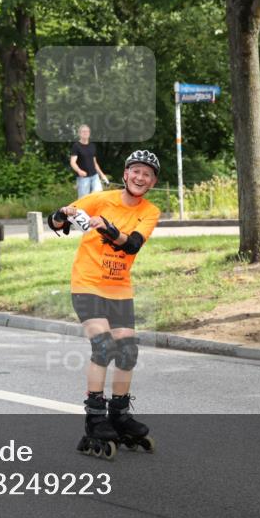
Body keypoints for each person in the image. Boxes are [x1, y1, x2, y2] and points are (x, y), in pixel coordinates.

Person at [48, 150, 161, 459]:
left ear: (152, 182)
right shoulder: (100, 199)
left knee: (128, 352)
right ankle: (95, 418)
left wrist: (108, 229)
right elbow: (58, 219)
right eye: (135, 171)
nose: (140, 177)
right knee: (104, 347)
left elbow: (133, 244)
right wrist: (61, 216)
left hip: (119, 289)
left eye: (147, 174)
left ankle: (119, 415)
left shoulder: (150, 211)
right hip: (88, 284)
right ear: (125, 174)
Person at [69, 125, 109, 198]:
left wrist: (102, 175)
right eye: (83, 131)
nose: (85, 133)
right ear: (79, 133)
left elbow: (95, 163)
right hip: (83, 178)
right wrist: (79, 171)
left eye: (87, 131)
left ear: (89, 133)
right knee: (84, 200)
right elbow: (72, 162)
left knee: (98, 197)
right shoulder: (76, 146)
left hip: (95, 176)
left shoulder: (92, 146)